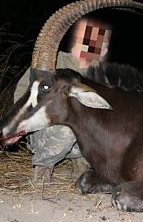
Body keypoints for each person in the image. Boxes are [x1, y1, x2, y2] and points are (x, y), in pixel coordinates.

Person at [14, 16, 112, 183]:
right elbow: (21, 95)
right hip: (48, 129)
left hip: (82, 131)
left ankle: (80, 160)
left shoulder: (100, 76)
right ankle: (43, 164)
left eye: (101, 47)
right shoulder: (52, 61)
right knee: (67, 130)